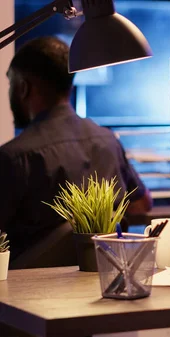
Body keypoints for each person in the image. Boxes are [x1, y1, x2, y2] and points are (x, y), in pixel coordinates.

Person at [0, 37, 153, 262]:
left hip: (26, 292)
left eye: (12, 83)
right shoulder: (107, 140)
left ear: (24, 88)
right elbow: (141, 204)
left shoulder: (14, 157)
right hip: (99, 284)